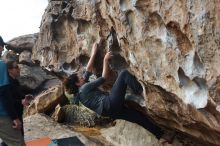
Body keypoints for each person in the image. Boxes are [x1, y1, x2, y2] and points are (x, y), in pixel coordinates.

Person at [64, 42, 174, 143]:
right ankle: (143, 93)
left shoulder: (80, 90)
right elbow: (104, 78)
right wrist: (105, 60)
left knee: (138, 117)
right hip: (110, 103)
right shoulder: (85, 88)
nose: (82, 76)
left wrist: (94, 52)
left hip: (109, 112)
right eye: (79, 77)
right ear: (78, 83)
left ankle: (162, 136)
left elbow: (88, 69)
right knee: (124, 74)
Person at [0, 36, 25, 146]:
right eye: (2, 47)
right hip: (3, 115)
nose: (2, 49)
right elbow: (5, 95)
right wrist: (15, 118)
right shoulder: (1, 66)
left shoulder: (16, 82)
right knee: (18, 143)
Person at [7, 60, 33, 136]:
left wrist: (25, 97)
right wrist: (21, 102)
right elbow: (7, 101)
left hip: (18, 114)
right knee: (16, 139)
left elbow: (17, 95)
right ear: (10, 70)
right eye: (16, 67)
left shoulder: (15, 81)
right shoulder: (8, 83)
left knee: (18, 138)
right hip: (12, 116)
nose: (19, 69)